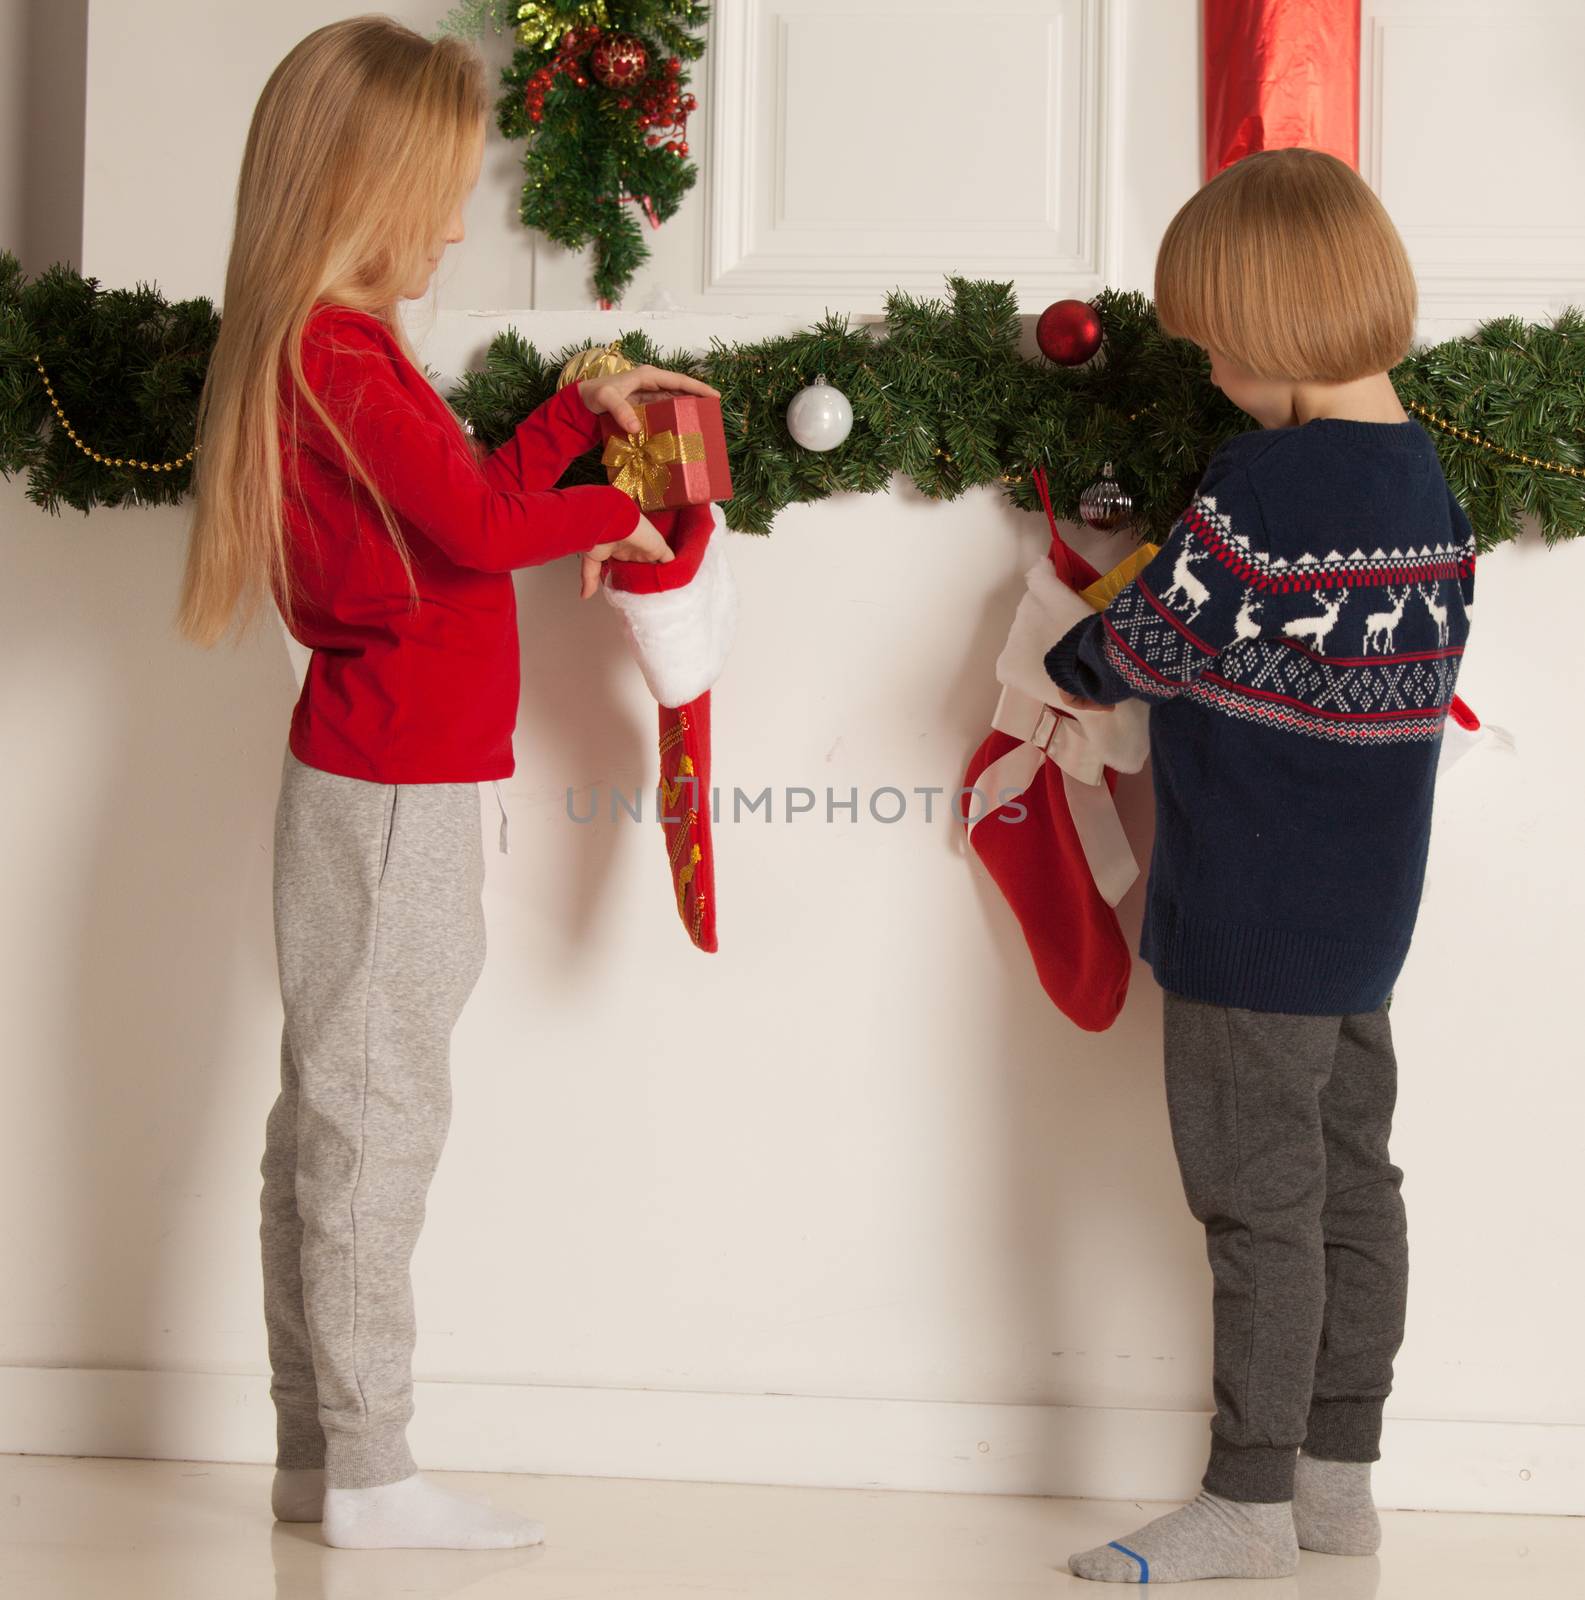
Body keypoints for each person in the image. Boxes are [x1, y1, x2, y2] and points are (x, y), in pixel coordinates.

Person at [177, 16, 715, 1550]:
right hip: (393, 786)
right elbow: (482, 536)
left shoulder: (337, 350)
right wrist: (614, 496)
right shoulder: (334, 350)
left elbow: (458, 506)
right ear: (362, 185)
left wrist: (568, 423)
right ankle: (369, 1469)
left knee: (334, 1115)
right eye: (443, 193)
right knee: (372, 1117)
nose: (457, 223)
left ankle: (320, 1460)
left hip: (395, 775)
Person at [1045, 148, 1474, 1585]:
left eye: (1215, 341)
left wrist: (1067, 648)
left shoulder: (1265, 485)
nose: (1210, 367)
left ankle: (1245, 1496)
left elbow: (1145, 647)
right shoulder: (1424, 483)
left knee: (1254, 1200)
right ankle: (1334, 1482)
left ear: (1276, 326)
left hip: (1246, 915)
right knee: (1353, 1183)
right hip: (1363, 917)